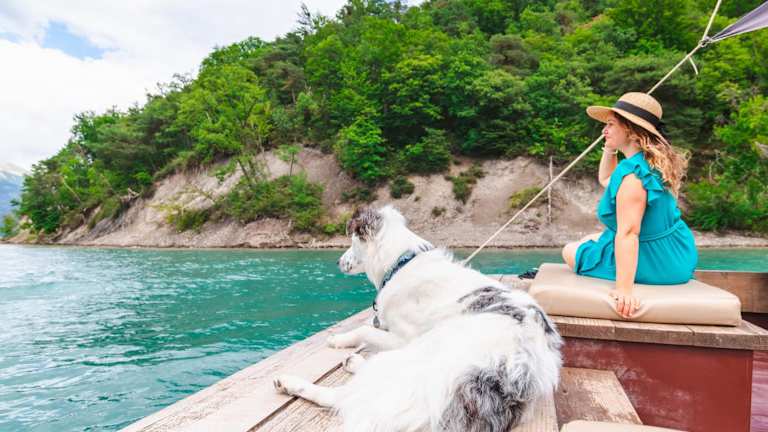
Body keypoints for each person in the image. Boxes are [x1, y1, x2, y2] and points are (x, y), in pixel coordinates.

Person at [561, 92, 698, 319]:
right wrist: (609, 148)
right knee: (591, 238)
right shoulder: (648, 164)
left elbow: (629, 233)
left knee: (569, 250)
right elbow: (606, 179)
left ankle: (618, 269)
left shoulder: (633, 177)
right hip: (678, 253)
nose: (604, 130)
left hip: (658, 263)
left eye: (610, 124)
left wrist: (624, 290)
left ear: (632, 131)